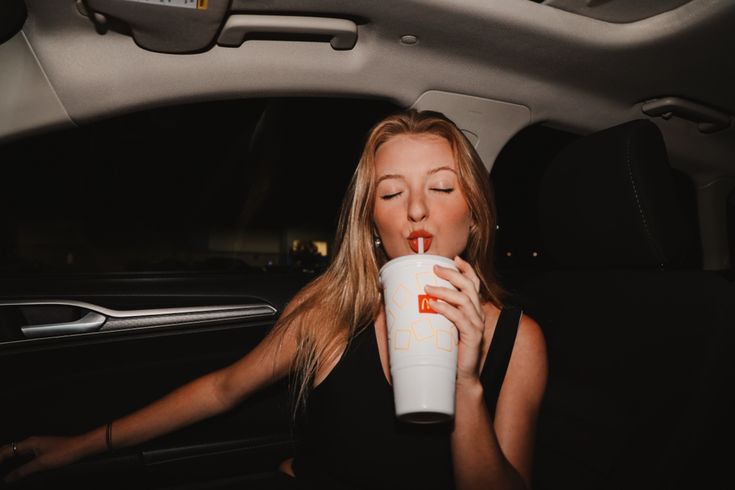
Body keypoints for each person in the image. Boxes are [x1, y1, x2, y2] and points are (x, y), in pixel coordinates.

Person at [0, 109, 547, 490]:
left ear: (475, 215)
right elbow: (222, 389)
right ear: (373, 224)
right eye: (391, 192)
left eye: (442, 187)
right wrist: (76, 447)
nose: (417, 210)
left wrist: (465, 385)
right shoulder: (332, 312)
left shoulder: (518, 340)